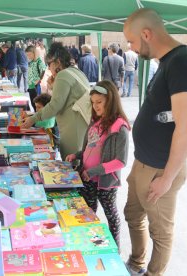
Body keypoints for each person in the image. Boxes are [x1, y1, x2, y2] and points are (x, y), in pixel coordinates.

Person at [123, 8, 187, 276]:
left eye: (132, 41)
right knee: (133, 215)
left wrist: (167, 178)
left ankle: (152, 273)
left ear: (146, 34)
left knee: (161, 231)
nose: (131, 48)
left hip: (160, 168)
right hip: (144, 162)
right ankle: (136, 263)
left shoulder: (181, 63)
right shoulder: (169, 61)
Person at [65, 80, 130, 250]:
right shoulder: (96, 122)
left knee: (111, 216)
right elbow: (89, 148)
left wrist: (95, 170)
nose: (95, 107)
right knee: (87, 213)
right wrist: (76, 155)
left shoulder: (119, 127)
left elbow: (120, 161)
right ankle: (90, 246)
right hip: (87, 178)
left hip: (105, 183)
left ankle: (115, 249)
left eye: (99, 102)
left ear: (111, 100)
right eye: (93, 103)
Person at [22, 42, 89, 159]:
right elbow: (67, 97)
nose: (48, 68)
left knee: (71, 161)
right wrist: (53, 86)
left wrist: (33, 118)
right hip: (81, 124)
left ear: (58, 62)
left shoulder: (63, 75)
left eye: (49, 64)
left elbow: (55, 105)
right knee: (78, 157)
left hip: (73, 127)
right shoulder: (76, 71)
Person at [25, 45, 46, 111]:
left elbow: (43, 70)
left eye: (30, 54)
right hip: (31, 86)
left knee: (37, 104)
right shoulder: (31, 62)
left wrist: (39, 80)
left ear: (34, 53)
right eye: (27, 55)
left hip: (36, 87)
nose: (28, 56)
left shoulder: (39, 61)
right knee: (32, 103)